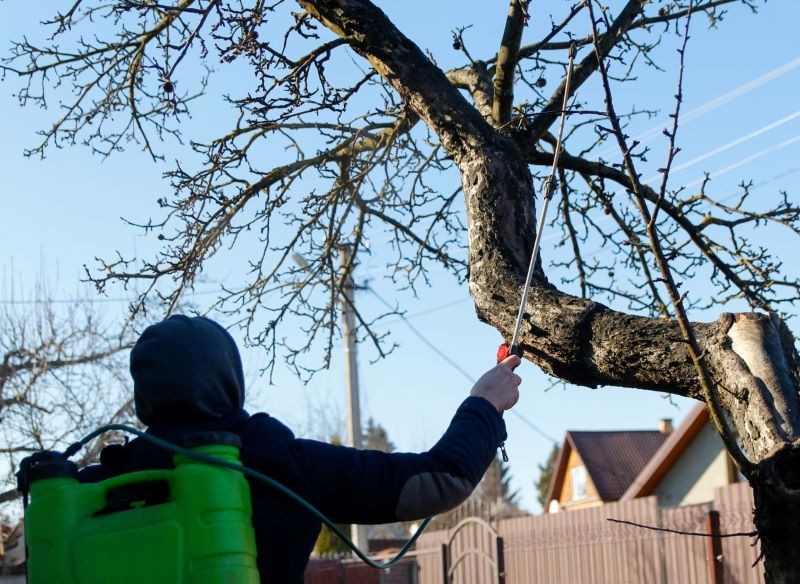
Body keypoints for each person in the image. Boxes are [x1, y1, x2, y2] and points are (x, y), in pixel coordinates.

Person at [78, 315, 522, 583]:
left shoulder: (95, 489)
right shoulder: (273, 460)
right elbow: (440, 481)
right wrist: (484, 404)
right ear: (229, 378)